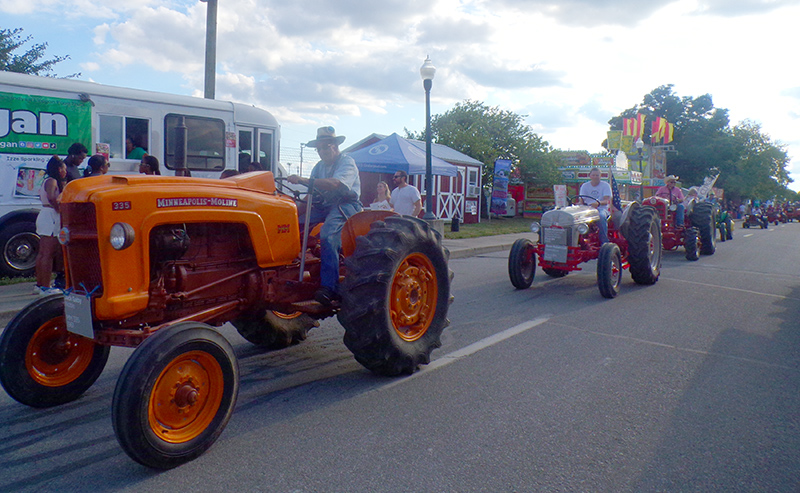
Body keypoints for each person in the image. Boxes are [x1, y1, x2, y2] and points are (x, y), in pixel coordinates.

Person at [287, 126, 361, 305]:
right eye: (318, 148)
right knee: (292, 226)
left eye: (325, 146)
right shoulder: (319, 167)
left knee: (328, 235)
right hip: (325, 204)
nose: (321, 151)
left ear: (335, 146)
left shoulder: (347, 162)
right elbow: (310, 195)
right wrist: (290, 212)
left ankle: (330, 288)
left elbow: (336, 184)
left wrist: (304, 180)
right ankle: (287, 270)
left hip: (346, 204)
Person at [33, 156, 67, 295]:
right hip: (51, 216)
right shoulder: (52, 181)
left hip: (45, 215)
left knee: (43, 253)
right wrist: (59, 209)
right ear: (59, 169)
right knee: (48, 254)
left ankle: (40, 284)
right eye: (64, 168)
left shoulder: (46, 180)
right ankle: (45, 287)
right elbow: (52, 197)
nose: (65, 171)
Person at [578, 167, 612, 243]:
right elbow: (581, 199)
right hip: (587, 208)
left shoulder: (605, 185)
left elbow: (607, 200)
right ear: (590, 176)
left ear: (600, 176)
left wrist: (598, 203)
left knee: (601, 216)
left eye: (597, 175)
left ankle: (604, 241)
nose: (595, 177)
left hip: (601, 208)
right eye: (593, 175)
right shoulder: (584, 186)